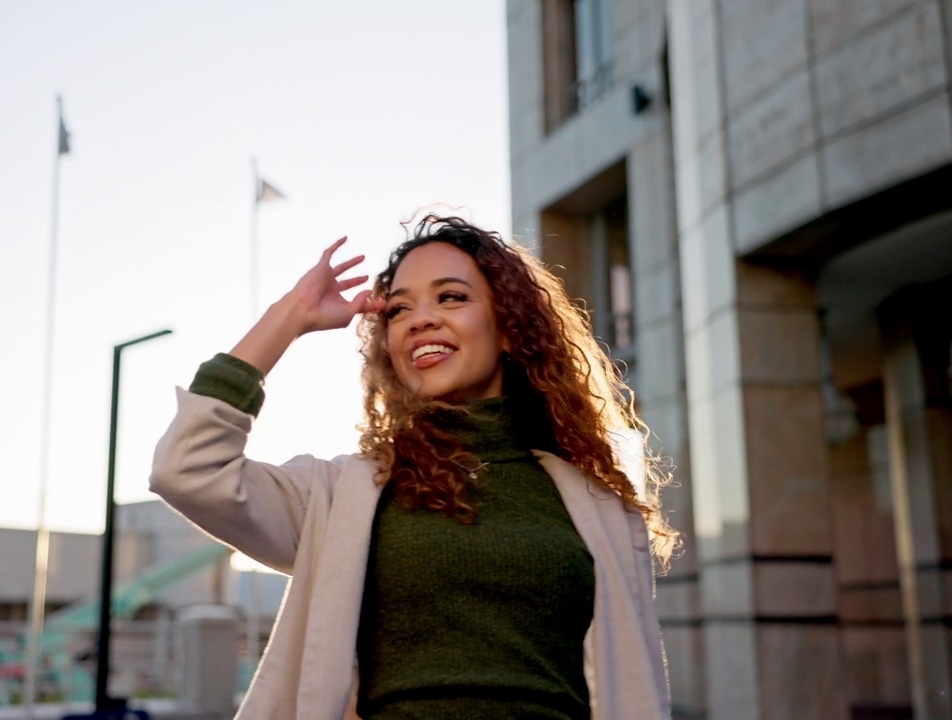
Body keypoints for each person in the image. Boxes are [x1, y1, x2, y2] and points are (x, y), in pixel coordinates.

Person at [150, 214, 678, 720]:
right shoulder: (339, 496)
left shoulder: (600, 507)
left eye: (451, 297)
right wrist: (292, 314)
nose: (421, 318)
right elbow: (188, 469)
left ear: (511, 329)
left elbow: (635, 693)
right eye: (399, 309)